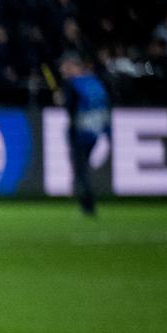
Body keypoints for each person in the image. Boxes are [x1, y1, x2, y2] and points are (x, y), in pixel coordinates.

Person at [60, 53, 110, 216]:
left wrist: (61, 100)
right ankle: (87, 202)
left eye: (66, 66)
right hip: (94, 131)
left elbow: (70, 109)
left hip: (79, 132)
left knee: (80, 170)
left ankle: (87, 205)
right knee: (84, 169)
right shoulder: (94, 82)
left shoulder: (73, 84)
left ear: (74, 67)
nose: (63, 70)